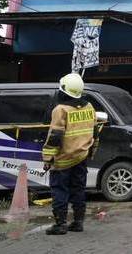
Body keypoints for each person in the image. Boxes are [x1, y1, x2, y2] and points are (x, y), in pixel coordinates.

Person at [41, 72, 99, 235]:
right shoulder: (89, 107)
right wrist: (92, 152)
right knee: (78, 189)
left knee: (60, 190)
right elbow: (95, 133)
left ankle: (60, 224)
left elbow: (55, 137)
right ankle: (78, 222)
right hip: (81, 158)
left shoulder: (60, 109)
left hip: (63, 160)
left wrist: (47, 158)